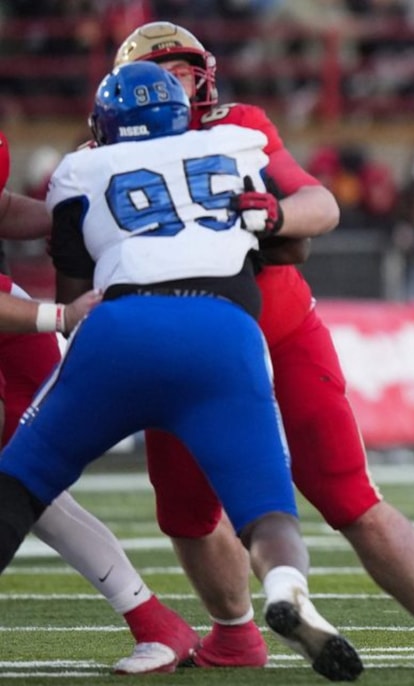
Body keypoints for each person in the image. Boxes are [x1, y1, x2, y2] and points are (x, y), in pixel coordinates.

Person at [111, 21, 414, 669]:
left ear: (203, 78)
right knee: (186, 512)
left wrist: (269, 215)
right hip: (184, 345)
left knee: (347, 493)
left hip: (275, 325)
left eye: (181, 74)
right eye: (156, 78)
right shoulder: (105, 157)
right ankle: (237, 636)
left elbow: (316, 206)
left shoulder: (236, 126)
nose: (169, 91)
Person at [0, 62, 364, 682]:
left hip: (123, 328)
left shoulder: (79, 169)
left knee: (19, 478)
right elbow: (292, 240)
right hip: (224, 331)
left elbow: (74, 280)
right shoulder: (235, 145)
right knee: (267, 510)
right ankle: (284, 584)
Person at [1, 131, 202, 675]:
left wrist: (69, 213)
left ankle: (156, 623)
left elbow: (2, 209)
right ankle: (155, 623)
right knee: (24, 491)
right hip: (19, 320)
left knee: (23, 485)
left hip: (11, 330)